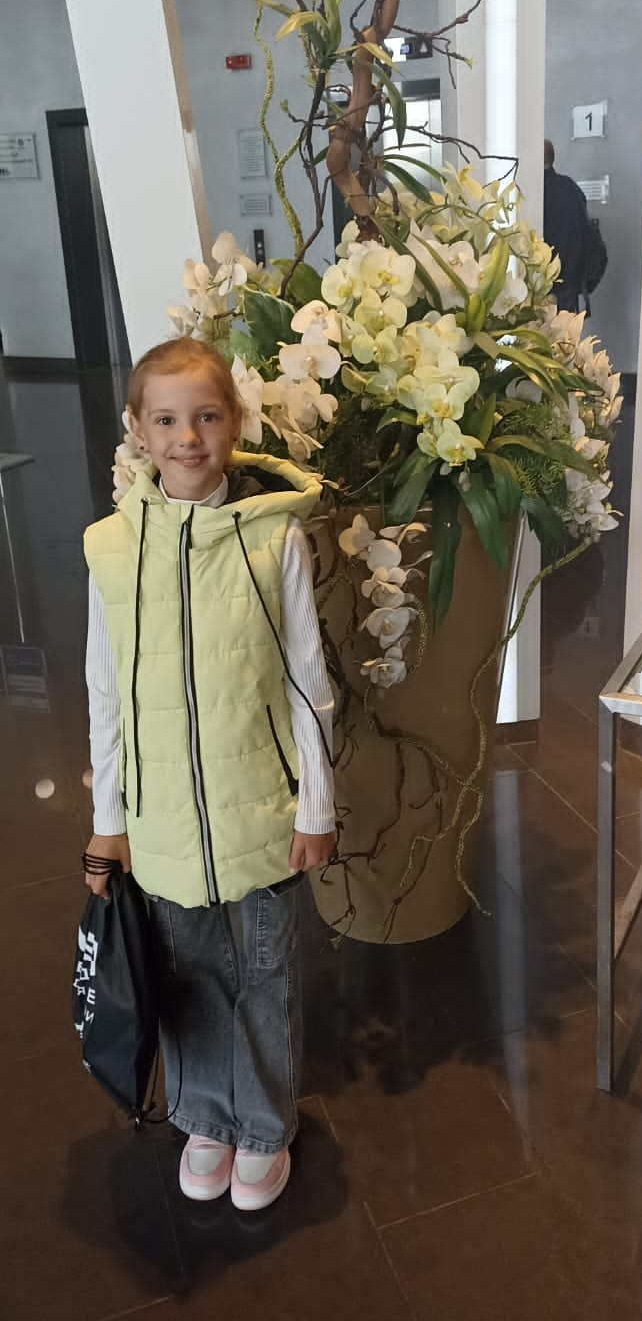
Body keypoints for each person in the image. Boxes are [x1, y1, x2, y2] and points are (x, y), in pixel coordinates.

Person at [82, 337, 337, 1210]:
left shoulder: (274, 537)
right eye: (165, 420)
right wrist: (110, 821)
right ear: (137, 430)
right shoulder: (110, 548)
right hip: (159, 822)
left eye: (205, 416)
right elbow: (104, 690)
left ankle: (261, 1125)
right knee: (185, 978)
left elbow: (307, 680)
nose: (186, 437)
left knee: (261, 978)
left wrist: (317, 806)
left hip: (260, 811)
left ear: (234, 423)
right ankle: (203, 1118)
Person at [543, 138, 590, 313]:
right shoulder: (570, 187)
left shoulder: (533, 189)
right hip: (569, 278)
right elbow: (583, 229)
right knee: (566, 329)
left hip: (539, 279)